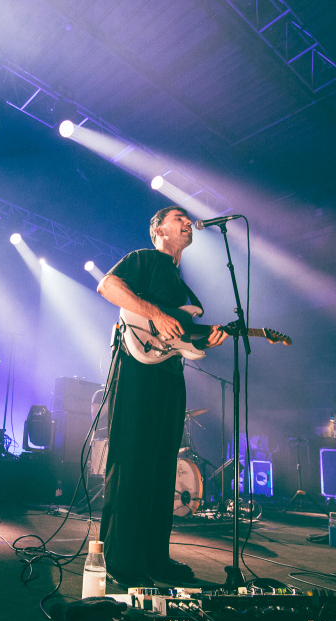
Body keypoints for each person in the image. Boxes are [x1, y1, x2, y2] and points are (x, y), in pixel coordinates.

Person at [95, 206, 227, 586]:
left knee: (160, 468)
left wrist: (209, 336)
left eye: (188, 219)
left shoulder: (180, 280)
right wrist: (154, 313)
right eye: (177, 218)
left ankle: (154, 557)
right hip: (136, 368)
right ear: (158, 229)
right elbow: (109, 286)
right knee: (133, 459)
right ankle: (120, 559)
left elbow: (181, 333)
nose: (187, 222)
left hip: (169, 373)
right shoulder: (146, 258)